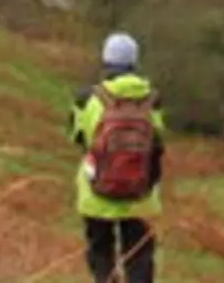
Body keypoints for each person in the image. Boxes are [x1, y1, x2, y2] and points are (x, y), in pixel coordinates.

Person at [68, 31, 167, 283]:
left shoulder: (87, 98)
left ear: (105, 60)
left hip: (96, 192)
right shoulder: (153, 100)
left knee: (101, 250)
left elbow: (78, 137)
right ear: (135, 62)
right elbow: (158, 142)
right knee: (139, 255)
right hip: (141, 193)